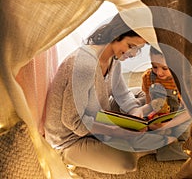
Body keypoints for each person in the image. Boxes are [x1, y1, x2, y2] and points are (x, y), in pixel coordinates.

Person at [44, 13, 159, 175]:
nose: (132, 54)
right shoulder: (83, 65)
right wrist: (116, 131)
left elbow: (123, 94)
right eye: (131, 46)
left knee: (142, 95)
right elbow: (73, 121)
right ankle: (72, 156)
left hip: (98, 113)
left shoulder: (114, 59)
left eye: (137, 49)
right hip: (71, 138)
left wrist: (135, 113)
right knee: (126, 163)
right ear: (116, 35)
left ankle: (136, 137)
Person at [141, 46, 190, 161]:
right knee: (143, 132)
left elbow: (188, 113)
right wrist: (149, 119)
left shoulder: (181, 80)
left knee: (190, 143)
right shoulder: (148, 77)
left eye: (165, 68)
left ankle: (159, 148)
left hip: (180, 117)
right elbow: (149, 104)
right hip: (159, 116)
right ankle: (164, 142)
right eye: (154, 66)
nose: (159, 72)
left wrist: (167, 125)